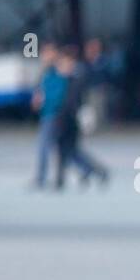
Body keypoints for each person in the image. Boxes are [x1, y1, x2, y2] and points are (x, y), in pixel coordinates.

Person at [52, 46, 109, 190]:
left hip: (70, 120)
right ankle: (87, 172)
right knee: (67, 151)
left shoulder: (76, 77)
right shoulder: (69, 77)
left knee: (69, 151)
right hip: (65, 118)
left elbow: (72, 101)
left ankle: (94, 171)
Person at [31, 43, 67, 189]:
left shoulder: (58, 70)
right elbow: (41, 89)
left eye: (46, 53)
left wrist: (44, 101)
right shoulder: (46, 72)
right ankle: (87, 171)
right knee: (62, 148)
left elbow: (59, 93)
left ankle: (41, 178)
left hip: (54, 113)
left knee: (44, 146)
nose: (43, 57)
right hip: (47, 113)